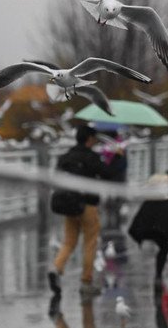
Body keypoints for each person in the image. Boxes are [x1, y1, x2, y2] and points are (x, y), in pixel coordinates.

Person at [48, 125, 125, 297]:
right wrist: (118, 156)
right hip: (87, 205)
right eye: (94, 138)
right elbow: (108, 173)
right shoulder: (91, 157)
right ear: (89, 139)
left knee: (69, 242)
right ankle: (86, 282)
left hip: (69, 205)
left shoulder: (65, 157)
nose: (96, 141)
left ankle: (56, 268)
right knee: (90, 243)